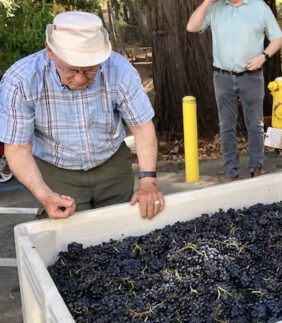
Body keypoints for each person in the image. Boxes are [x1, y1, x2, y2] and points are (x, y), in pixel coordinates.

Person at [0, 11, 164, 219]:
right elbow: (17, 148)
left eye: (89, 70)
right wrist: (45, 196)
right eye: (71, 69)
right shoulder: (21, 80)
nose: (79, 79)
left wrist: (148, 180)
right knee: (70, 241)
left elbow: (141, 127)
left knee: (121, 230)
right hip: (56, 169)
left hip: (112, 164)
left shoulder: (119, 70)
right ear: (49, 51)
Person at [187, 0, 282, 180]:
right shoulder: (216, 8)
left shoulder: (259, 7)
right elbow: (191, 27)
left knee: (255, 125)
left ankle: (256, 167)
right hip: (222, 76)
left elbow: (277, 38)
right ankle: (231, 171)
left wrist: (263, 56)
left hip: (251, 77)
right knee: (226, 126)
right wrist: (209, 0)